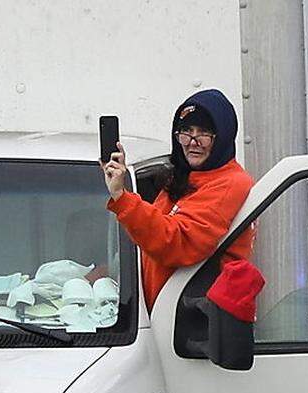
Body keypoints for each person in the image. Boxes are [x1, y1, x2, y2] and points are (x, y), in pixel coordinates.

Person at [103, 88, 256, 310]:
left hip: (196, 330)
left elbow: (176, 242)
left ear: (222, 137)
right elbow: (148, 240)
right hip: (159, 321)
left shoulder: (231, 183)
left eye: (203, 133)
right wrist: (101, 274)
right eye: (185, 131)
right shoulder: (184, 176)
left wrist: (121, 196)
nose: (192, 142)